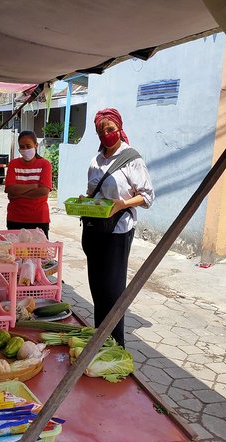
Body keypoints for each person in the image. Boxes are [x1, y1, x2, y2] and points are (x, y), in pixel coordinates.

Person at [80, 108, 155, 346]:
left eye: (110, 129)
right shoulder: (96, 160)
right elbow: (95, 193)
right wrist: (86, 201)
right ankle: (100, 342)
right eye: (101, 131)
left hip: (118, 232)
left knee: (112, 293)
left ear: (119, 128)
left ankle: (116, 345)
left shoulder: (132, 159)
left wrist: (123, 203)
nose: (106, 134)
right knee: (98, 290)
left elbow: (147, 197)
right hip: (94, 230)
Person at [4, 131, 52, 238]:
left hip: (39, 219)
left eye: (28, 146)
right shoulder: (13, 164)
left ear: (36, 145)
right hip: (15, 218)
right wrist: (33, 186)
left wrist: (17, 195)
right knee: (16, 253)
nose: (25, 149)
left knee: (38, 253)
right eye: (22, 147)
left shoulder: (45, 164)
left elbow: (44, 191)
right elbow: (10, 189)